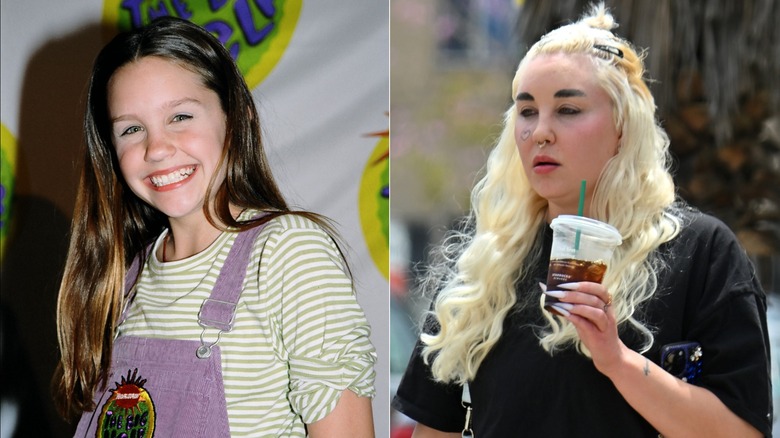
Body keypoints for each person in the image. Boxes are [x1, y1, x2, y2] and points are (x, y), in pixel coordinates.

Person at [392, 3, 772, 437]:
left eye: (568, 110)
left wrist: (617, 360)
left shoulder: (700, 252)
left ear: (623, 126)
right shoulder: (483, 266)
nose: (540, 132)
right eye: (527, 111)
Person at [53, 16, 376, 437]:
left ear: (235, 118)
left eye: (180, 116)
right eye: (131, 129)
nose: (157, 148)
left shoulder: (288, 253)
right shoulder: (124, 280)